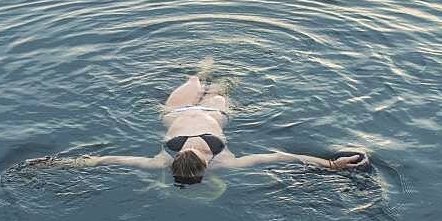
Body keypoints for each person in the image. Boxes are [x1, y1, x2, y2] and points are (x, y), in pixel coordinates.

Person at [23, 72, 369, 185]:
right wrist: (329, 165)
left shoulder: (162, 162)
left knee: (197, 78)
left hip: (177, 110)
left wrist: (59, 163)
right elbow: (280, 157)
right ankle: (208, 67)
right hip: (212, 112)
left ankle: (206, 66)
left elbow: (106, 160)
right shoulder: (223, 162)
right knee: (211, 82)